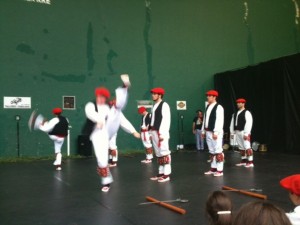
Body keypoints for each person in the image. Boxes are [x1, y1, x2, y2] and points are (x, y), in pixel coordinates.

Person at [85, 74, 130, 192]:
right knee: (101, 160)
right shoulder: (91, 105)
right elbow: (90, 113)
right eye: (99, 96)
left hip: (107, 132)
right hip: (96, 135)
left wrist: (124, 87)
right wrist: (98, 120)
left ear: (106, 98)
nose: (100, 99)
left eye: (103, 97)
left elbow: (119, 107)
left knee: (118, 106)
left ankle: (125, 87)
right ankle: (106, 180)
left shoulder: (108, 107)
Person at [149, 87, 171, 183]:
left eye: (155, 94)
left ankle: (166, 175)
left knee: (164, 152)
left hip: (161, 133)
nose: (153, 95)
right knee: (158, 154)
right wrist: (150, 132)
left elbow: (166, 120)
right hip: (154, 132)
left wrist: (162, 133)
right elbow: (153, 120)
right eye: (152, 93)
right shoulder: (155, 105)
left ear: (160, 95)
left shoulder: (164, 105)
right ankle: (161, 173)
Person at [202, 90, 225, 177]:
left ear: (214, 97)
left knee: (218, 150)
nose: (208, 97)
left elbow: (219, 120)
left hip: (215, 132)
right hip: (208, 131)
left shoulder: (219, 107)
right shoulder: (207, 106)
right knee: (212, 151)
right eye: (207, 95)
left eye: (210, 96)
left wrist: (216, 132)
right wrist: (203, 130)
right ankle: (213, 168)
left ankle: (220, 170)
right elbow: (205, 119)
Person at [230, 98, 254, 168]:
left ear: (243, 104)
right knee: (241, 147)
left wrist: (246, 133)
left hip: (244, 131)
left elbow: (249, 123)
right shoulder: (235, 114)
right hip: (237, 131)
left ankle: (250, 161)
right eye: (237, 103)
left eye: (239, 103)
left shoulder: (247, 112)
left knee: (247, 146)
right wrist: (232, 132)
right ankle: (243, 160)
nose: (238, 104)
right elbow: (232, 123)